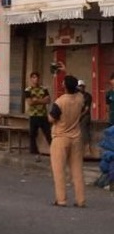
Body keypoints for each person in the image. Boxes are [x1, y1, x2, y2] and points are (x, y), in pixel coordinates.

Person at [49, 75, 86, 207]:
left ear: (64, 86)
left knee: (59, 170)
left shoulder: (60, 101)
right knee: (77, 170)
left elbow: (51, 119)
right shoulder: (80, 98)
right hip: (76, 136)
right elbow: (83, 107)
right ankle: (81, 200)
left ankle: (61, 199)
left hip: (60, 137)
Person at [24, 72, 52, 162]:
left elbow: (48, 100)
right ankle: (35, 154)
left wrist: (37, 100)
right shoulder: (28, 90)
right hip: (33, 115)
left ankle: (54, 152)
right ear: (31, 79)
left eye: (37, 77)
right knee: (32, 135)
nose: (35, 79)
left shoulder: (44, 89)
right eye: (34, 77)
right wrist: (42, 100)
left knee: (48, 134)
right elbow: (30, 102)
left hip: (43, 115)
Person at [76, 80, 92, 151]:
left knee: (83, 126)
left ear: (84, 87)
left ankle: (87, 146)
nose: (80, 88)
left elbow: (87, 109)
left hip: (85, 115)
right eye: (79, 86)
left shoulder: (87, 96)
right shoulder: (75, 96)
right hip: (76, 115)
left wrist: (80, 116)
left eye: (81, 86)